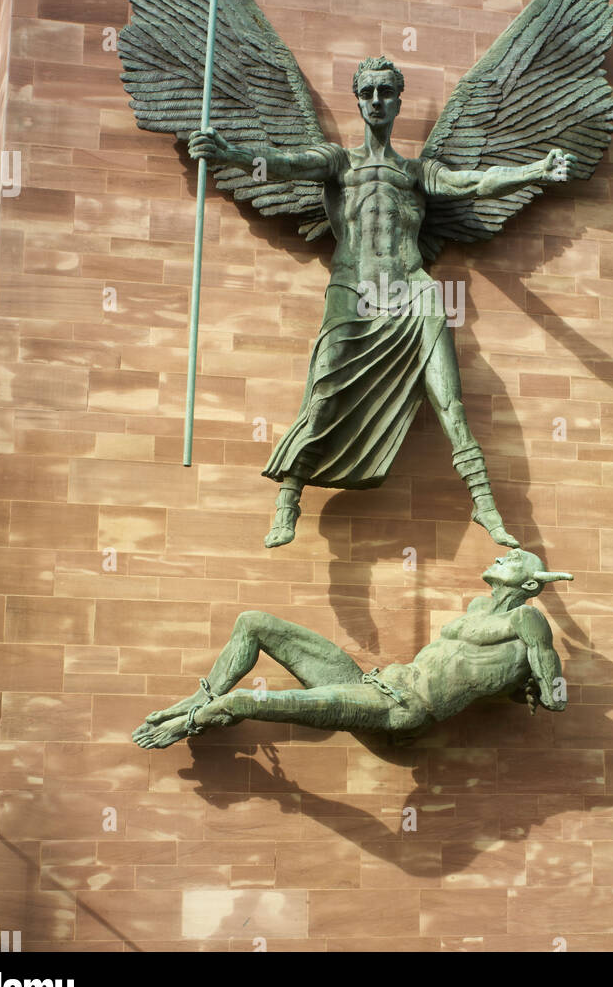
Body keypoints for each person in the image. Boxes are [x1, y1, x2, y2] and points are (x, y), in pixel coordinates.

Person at [189, 56, 569, 550]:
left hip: (413, 292)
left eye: (385, 92)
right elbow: (282, 166)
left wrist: (536, 170)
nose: (375, 102)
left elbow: (473, 182)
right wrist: (230, 153)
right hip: (353, 293)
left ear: (397, 101)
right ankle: (287, 502)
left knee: (450, 402)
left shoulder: (416, 173)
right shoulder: (338, 163)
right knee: (323, 396)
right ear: (357, 100)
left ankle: (485, 505)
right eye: (367, 93)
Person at [132, 549, 571, 748]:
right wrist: (516, 685)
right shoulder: (478, 608)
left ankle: (189, 723)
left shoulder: (527, 620)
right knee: (254, 623)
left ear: (529, 585)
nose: (502, 557)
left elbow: (555, 699)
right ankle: (202, 697)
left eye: (513, 560)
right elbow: (475, 670)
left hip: (401, 708)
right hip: (372, 683)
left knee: (249, 701)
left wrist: (540, 682)